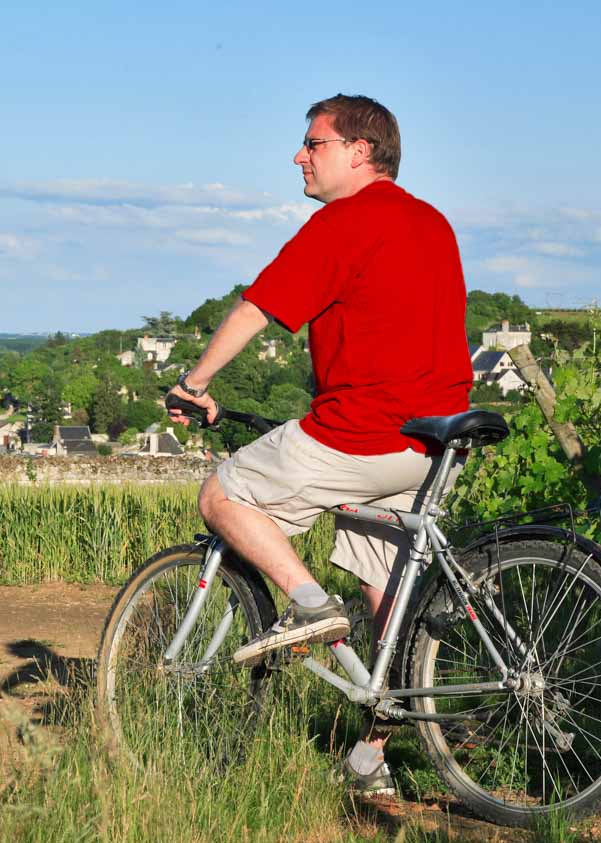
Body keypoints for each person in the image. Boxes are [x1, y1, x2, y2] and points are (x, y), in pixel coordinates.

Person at [166, 94, 472, 797]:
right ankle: (370, 760)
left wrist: (194, 382)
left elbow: (258, 308)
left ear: (360, 151)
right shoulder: (431, 222)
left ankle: (306, 603)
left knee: (222, 494)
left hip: (363, 432)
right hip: (432, 440)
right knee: (386, 596)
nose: (299, 156)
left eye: (314, 143)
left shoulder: (344, 221)